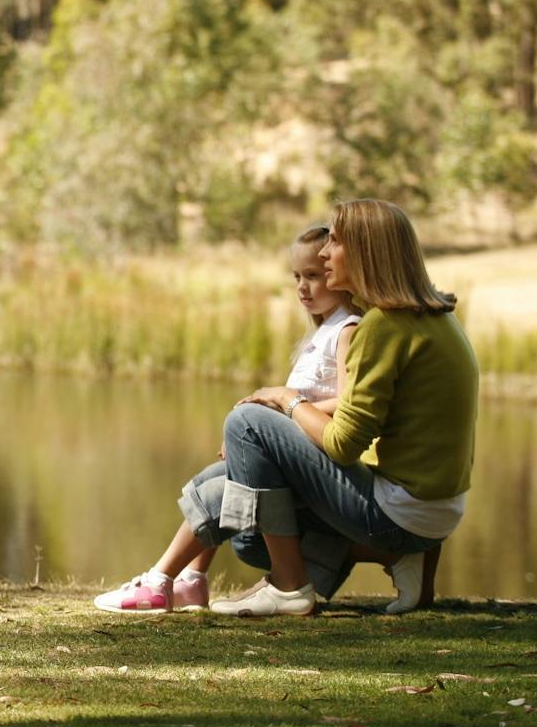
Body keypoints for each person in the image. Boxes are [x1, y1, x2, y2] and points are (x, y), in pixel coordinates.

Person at [205, 199, 478, 617]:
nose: (325, 251)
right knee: (244, 515)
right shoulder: (437, 319)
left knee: (246, 422)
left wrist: (286, 399)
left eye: (335, 241)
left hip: (400, 514)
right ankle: (405, 558)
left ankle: (289, 587)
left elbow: (345, 444)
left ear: (365, 251)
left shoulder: (383, 326)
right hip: (437, 514)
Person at [94, 225, 359, 614]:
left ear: (341, 274)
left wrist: (276, 418)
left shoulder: (347, 329)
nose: (303, 287)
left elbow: (348, 403)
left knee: (222, 484)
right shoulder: (321, 332)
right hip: (294, 450)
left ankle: (161, 581)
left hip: (317, 458)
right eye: (297, 277)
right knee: (217, 475)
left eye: (314, 276)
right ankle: (190, 580)